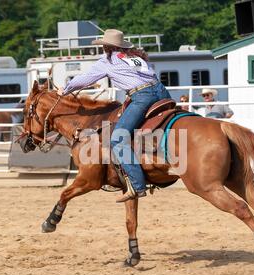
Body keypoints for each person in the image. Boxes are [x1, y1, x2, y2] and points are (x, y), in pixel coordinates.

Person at [57, 29, 171, 202]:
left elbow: (85, 79)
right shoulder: (134, 56)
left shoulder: (107, 61)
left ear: (105, 46)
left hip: (142, 96)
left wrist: (65, 90)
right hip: (161, 92)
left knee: (118, 138)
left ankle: (138, 185)